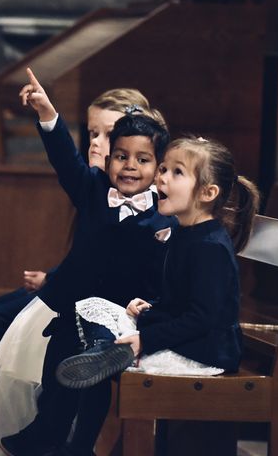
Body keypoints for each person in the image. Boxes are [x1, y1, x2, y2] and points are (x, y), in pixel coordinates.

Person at [0, 69, 175, 456]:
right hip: (79, 310)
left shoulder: (163, 215)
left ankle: (78, 446)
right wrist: (47, 113)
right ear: (109, 160)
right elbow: (64, 159)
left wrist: (153, 308)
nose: (129, 166)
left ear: (158, 167)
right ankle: (45, 432)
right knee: (58, 365)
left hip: (126, 315)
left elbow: (165, 271)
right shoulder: (94, 191)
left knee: (92, 374)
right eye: (121, 157)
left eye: (142, 160)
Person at [51, 136, 260, 455]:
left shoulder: (210, 248)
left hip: (206, 353)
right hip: (190, 337)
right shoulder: (182, 233)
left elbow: (203, 318)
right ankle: (97, 366)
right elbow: (180, 303)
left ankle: (85, 436)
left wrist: (146, 338)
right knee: (91, 310)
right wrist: (148, 309)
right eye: (163, 168)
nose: (161, 177)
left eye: (177, 172)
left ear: (207, 193)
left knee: (117, 360)